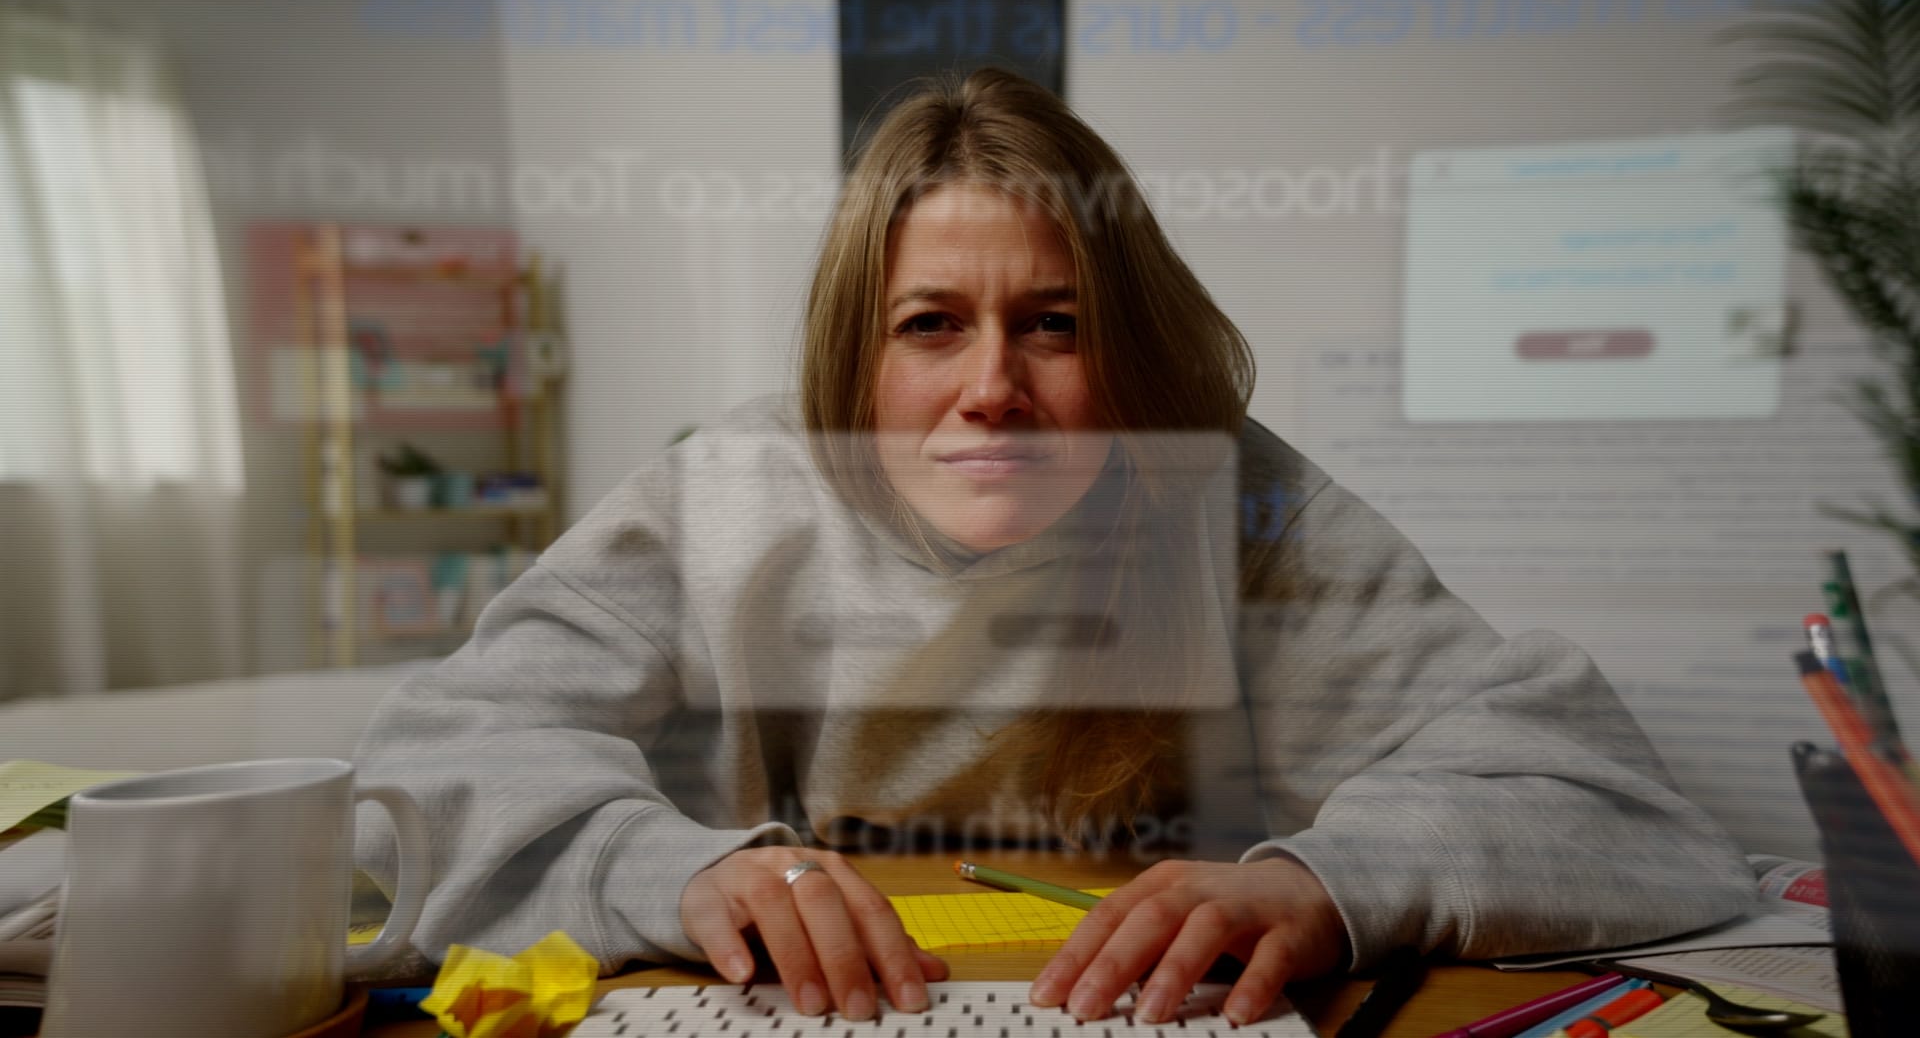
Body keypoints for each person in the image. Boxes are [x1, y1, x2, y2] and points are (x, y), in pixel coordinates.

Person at [353, 68, 1755, 1027]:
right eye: (930, 325)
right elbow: (420, 782)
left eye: (1055, 324)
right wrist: (673, 870)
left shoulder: (1231, 497)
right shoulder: (725, 496)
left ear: (1128, 348)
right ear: (853, 356)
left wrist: (1327, 886)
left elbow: (1620, 814)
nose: (993, 389)